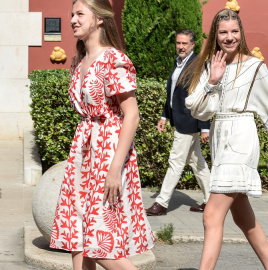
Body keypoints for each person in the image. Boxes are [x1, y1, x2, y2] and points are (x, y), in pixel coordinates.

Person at [184, 9, 268, 270]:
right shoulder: (208, 66)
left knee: (212, 214)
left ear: (241, 33)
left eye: (234, 31)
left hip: (242, 138)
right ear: (215, 35)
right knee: (244, 219)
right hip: (220, 138)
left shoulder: (254, 67)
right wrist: (212, 82)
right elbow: (198, 109)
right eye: (223, 32)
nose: (229, 37)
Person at [49, 1, 155, 269]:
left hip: (108, 153)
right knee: (78, 238)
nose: (73, 19)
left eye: (80, 14)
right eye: (71, 14)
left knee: (100, 244)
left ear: (98, 20)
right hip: (83, 151)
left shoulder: (114, 59)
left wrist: (114, 169)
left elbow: (132, 114)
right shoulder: (78, 61)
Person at [145, 29, 211, 216]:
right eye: (178, 43)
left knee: (175, 161)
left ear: (192, 45)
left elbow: (204, 97)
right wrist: (164, 116)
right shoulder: (179, 63)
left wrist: (205, 126)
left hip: (189, 121)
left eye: (184, 44)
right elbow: (173, 93)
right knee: (197, 162)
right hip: (180, 119)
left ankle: (161, 203)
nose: (181, 47)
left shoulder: (199, 65)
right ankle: (211, 201)